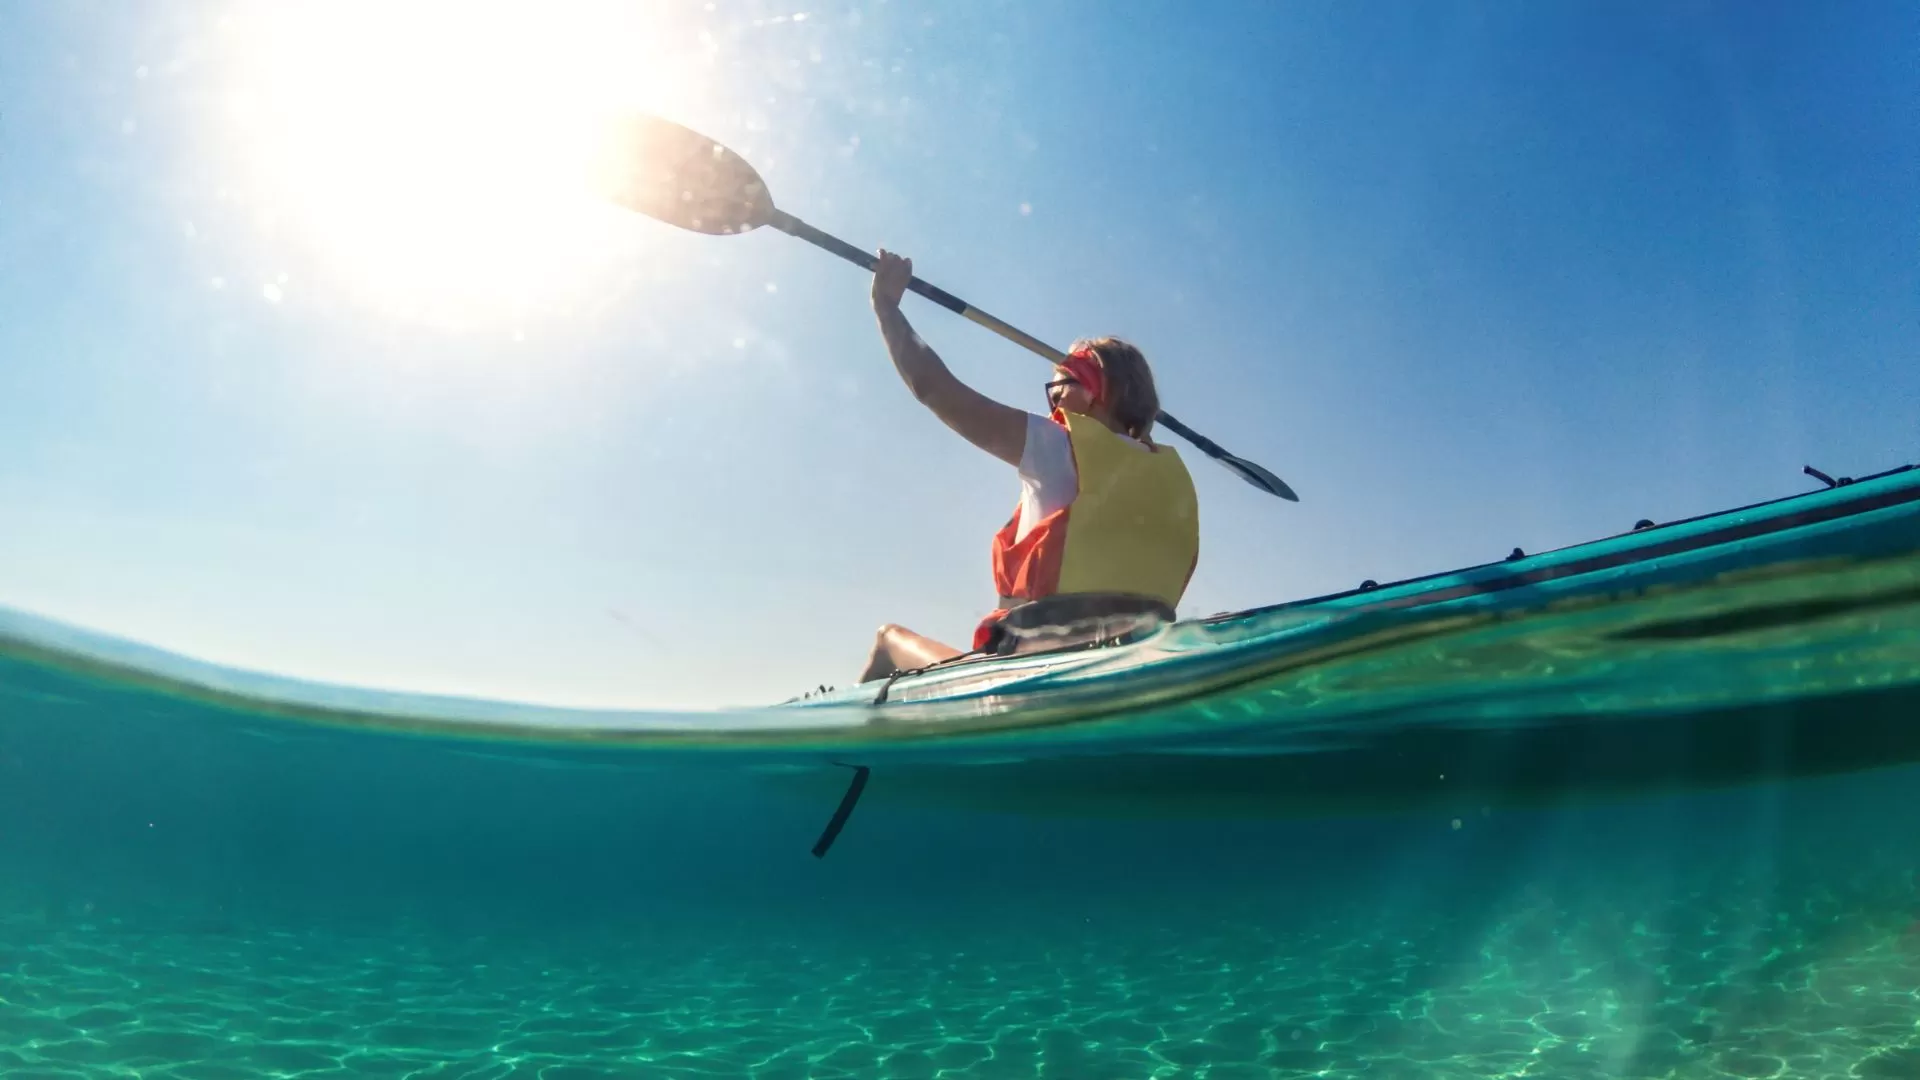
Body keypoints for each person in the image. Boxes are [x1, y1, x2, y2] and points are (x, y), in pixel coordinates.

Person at [859, 249, 1200, 683]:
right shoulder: (1172, 479)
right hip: (1136, 663)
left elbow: (934, 389)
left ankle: (854, 724)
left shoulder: (1056, 445)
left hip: (1032, 668)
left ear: (1093, 390)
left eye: (1059, 386)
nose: (1053, 403)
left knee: (888, 638)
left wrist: (886, 308)